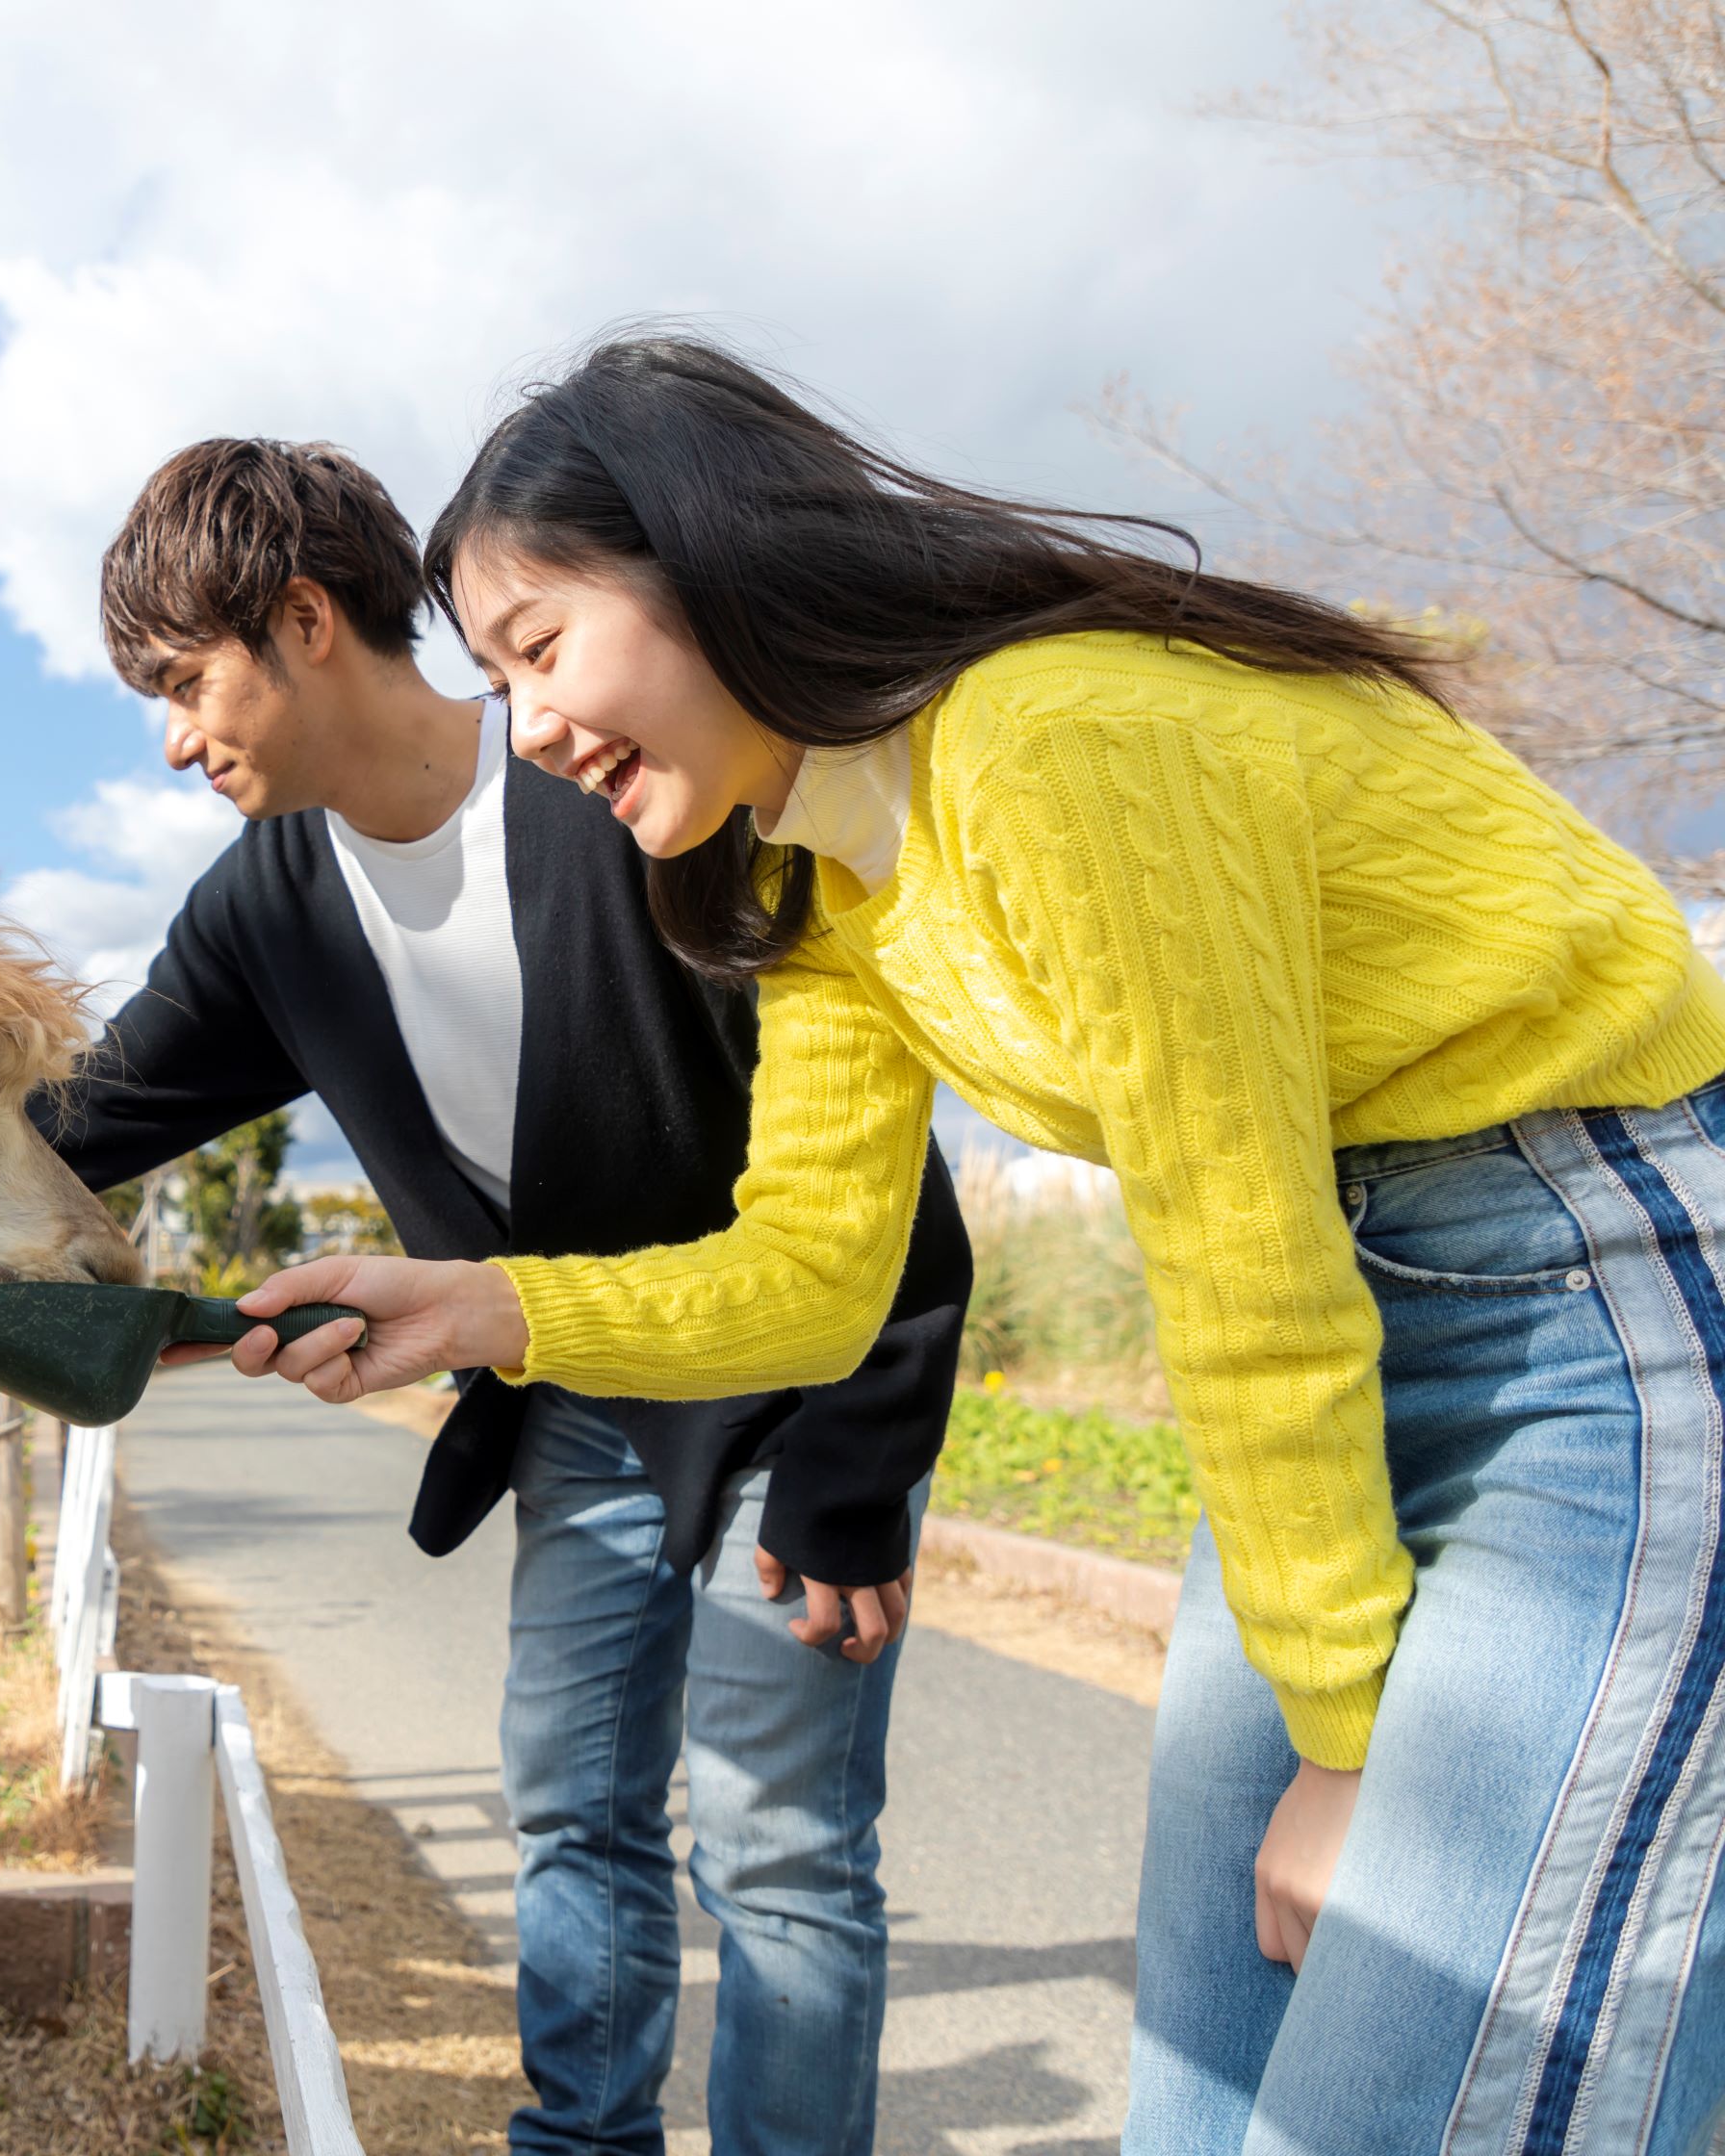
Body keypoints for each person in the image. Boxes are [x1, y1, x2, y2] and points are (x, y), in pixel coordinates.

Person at [234, 337, 1725, 2155]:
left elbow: (1231, 1235)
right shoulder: (825, 880)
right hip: (1370, 1320)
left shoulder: (1050, 741)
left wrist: (1343, 1744)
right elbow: (807, 1270)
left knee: (1407, 2095)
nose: (529, 729)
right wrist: (479, 1305)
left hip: (1605, 1289)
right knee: (1202, 2081)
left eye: (540, 649)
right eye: (499, 678)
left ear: (708, 561)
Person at [36, 436, 973, 2155]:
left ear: (304, 619)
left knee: (777, 1848)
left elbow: (879, 1162)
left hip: (796, 1391)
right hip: (571, 1405)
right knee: (570, 1809)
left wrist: (860, 1471)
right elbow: (81, 1128)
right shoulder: (267, 904)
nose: (174, 737)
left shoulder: (621, 778)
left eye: (184, 682)